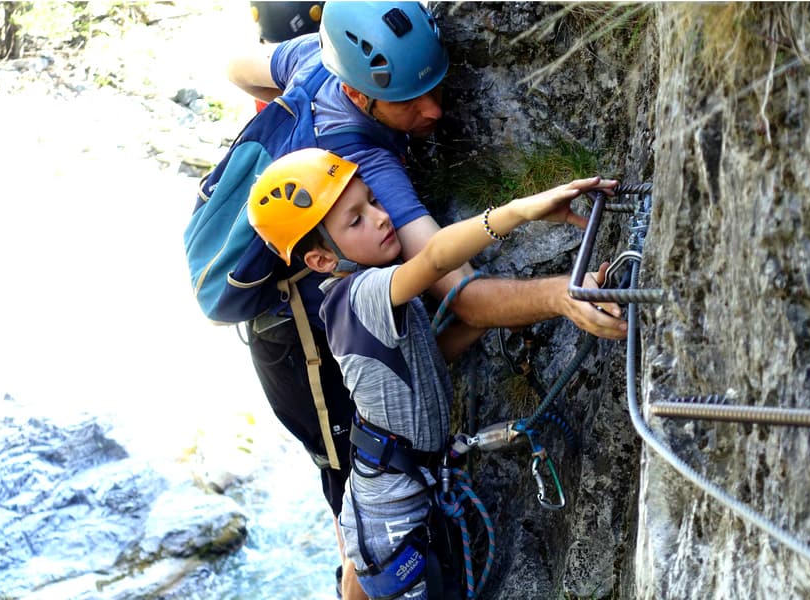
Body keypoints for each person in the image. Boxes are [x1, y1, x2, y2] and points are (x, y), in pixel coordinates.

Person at [226, 2, 627, 597]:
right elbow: (443, 268)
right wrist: (538, 250)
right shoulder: (362, 207)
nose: (434, 110)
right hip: (297, 345)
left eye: (434, 88)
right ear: (357, 96)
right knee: (350, 509)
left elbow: (238, 67)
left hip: (398, 451)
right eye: (409, 102)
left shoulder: (317, 59)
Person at [246, 147, 618, 598]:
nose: (381, 218)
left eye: (373, 201)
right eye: (356, 220)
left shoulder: (376, 292)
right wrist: (520, 211)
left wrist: (487, 320)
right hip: (393, 514)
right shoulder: (360, 294)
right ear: (323, 261)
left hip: (393, 495)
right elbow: (437, 258)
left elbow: (425, 361)